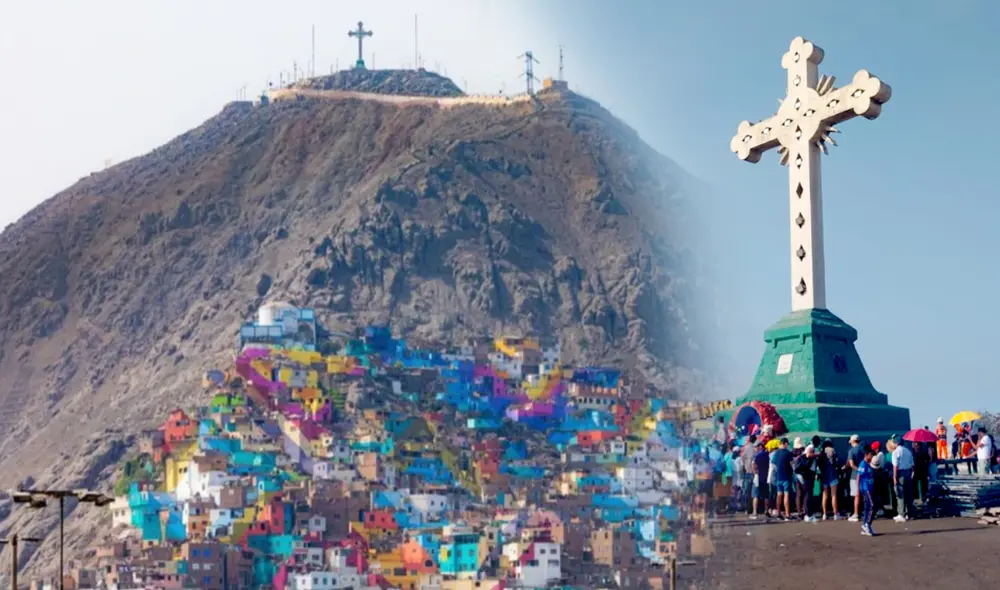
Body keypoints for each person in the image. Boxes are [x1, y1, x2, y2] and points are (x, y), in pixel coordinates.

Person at [889, 439, 915, 522]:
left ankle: (901, 514)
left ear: (896, 443)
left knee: (900, 494)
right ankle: (910, 513)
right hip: (908, 472)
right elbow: (912, 465)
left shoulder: (896, 452)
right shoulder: (908, 451)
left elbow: (895, 466)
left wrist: (894, 477)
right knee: (908, 494)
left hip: (900, 473)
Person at [771, 438, 794, 520]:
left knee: (779, 495)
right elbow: (792, 464)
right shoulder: (787, 453)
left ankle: (779, 512)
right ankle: (787, 514)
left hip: (778, 477)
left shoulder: (776, 452)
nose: (787, 445)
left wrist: (778, 470)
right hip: (786, 477)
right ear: (785, 443)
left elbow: (773, 463)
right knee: (786, 495)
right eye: (787, 444)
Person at [818, 439, 840, 520]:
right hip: (833, 475)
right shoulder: (832, 450)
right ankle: (835, 514)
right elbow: (836, 462)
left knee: (825, 496)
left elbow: (819, 463)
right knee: (834, 495)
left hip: (824, 476)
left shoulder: (822, 451)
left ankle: (824, 514)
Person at [858, 445, 877, 536]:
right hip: (866, 488)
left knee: (868, 507)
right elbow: (859, 476)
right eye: (871, 455)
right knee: (872, 505)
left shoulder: (869, 464)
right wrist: (858, 489)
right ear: (866, 455)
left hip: (870, 487)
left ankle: (866, 524)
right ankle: (867, 524)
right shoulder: (863, 464)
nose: (872, 456)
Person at [796, 444, 818, 521]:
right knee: (807, 495)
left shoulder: (801, 457)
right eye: (812, 452)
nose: (813, 453)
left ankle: (801, 512)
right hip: (806, 478)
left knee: (801, 495)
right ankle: (807, 514)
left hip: (800, 478)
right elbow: (808, 469)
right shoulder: (809, 459)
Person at [846, 434, 864, 522]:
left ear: (852, 442)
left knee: (856, 495)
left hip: (855, 476)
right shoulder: (863, 450)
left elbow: (851, 464)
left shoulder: (851, 451)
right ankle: (861, 512)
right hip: (864, 475)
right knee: (862, 494)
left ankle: (856, 514)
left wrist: (859, 470)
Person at [752, 441, 770, 520]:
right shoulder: (767, 455)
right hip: (766, 477)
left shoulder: (757, 456)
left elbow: (754, 466)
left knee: (755, 495)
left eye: (756, 447)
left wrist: (755, 472)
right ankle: (766, 511)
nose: (755, 448)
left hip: (758, 478)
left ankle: (755, 512)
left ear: (760, 446)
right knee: (766, 495)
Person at [741, 435, 757, 514]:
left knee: (747, 491)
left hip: (747, 472)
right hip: (753, 472)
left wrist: (744, 466)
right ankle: (752, 508)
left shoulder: (746, 448)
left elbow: (742, 457)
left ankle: (747, 509)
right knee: (753, 492)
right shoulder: (755, 449)